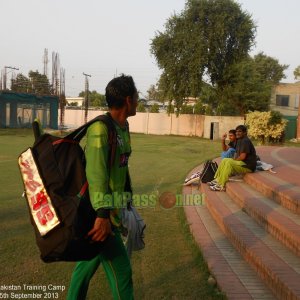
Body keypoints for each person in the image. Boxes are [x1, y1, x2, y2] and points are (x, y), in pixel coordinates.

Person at [67, 74, 138, 300]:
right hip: (98, 213)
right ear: (128, 99)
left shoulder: (123, 127)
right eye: (136, 97)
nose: (138, 101)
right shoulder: (100, 129)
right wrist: (102, 215)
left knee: (85, 267)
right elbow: (96, 174)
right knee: (122, 272)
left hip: (112, 212)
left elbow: (121, 167)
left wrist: (127, 200)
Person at [209, 125, 256, 191]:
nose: (237, 133)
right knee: (225, 160)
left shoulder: (245, 141)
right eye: (236, 131)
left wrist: (233, 160)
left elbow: (242, 157)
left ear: (245, 133)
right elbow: (226, 149)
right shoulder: (240, 140)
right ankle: (217, 179)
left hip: (248, 166)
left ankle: (221, 185)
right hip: (242, 163)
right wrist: (223, 140)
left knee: (229, 162)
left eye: (239, 131)